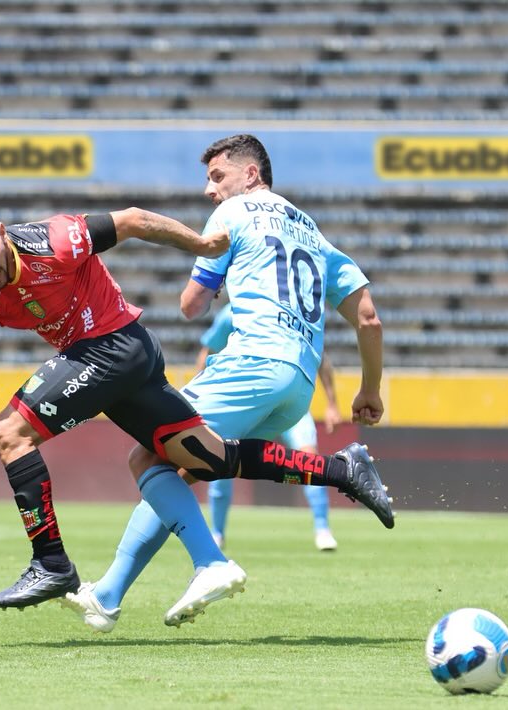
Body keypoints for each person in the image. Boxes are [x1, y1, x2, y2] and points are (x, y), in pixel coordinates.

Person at [0, 200, 392, 626]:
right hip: (123, 358)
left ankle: (51, 563)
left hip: (112, 346)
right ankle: (342, 470)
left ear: (1, 233)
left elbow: (134, 219)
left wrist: (198, 245)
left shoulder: (54, 240)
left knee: (11, 435)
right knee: (209, 460)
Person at [61, 133, 386, 633]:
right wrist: (370, 390)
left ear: (251, 175)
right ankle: (107, 595)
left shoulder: (233, 216)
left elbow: (192, 304)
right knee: (183, 470)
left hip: (252, 363)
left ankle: (211, 562)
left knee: (148, 455)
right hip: (298, 385)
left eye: (217, 177)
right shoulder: (315, 234)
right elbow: (368, 317)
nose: (210, 190)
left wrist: (207, 281)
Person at [197, 303, 343, 552]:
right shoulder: (230, 314)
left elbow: (320, 357)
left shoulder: (290, 310)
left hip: (287, 403)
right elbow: (207, 352)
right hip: (245, 404)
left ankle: (322, 528)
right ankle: (217, 533)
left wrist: (332, 403)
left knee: (308, 458)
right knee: (219, 460)